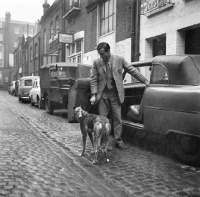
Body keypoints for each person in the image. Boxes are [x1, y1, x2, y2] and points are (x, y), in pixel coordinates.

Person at [90, 42, 149, 150]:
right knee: (103, 120)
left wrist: (145, 81)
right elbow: (93, 79)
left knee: (118, 119)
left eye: (102, 54)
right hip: (102, 94)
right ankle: (104, 142)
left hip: (115, 94)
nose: (101, 56)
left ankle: (118, 141)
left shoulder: (119, 59)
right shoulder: (96, 62)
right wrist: (93, 95)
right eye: (99, 54)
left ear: (108, 51)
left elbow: (132, 70)